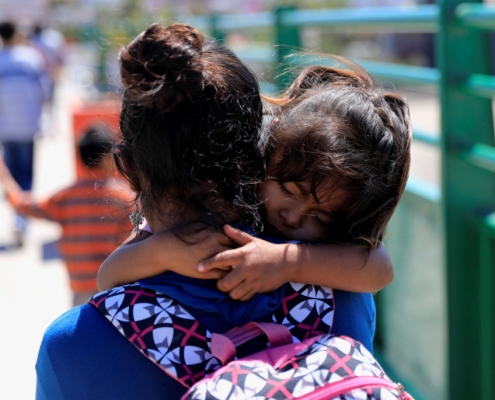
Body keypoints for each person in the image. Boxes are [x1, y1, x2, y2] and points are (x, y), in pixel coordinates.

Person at [35, 23, 409, 400]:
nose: (295, 217)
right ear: (260, 157)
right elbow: (377, 266)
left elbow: (107, 280)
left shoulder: (72, 344)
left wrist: (161, 250)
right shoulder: (341, 295)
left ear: (128, 167)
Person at [0, 126, 133, 306]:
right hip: (115, 290)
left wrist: (6, 179)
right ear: (106, 157)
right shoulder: (125, 198)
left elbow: (28, 206)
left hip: (79, 292)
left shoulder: (67, 198)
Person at [0, 21, 51, 246]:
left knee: (12, 178)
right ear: (17, 33)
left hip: (6, 128)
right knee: (27, 176)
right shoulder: (31, 58)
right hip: (28, 126)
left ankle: (17, 217)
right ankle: (23, 219)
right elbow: (45, 91)